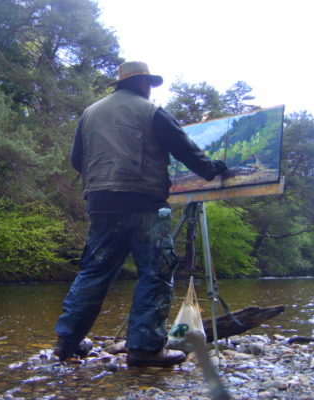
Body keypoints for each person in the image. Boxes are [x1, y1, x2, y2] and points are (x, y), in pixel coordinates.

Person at [54, 61, 227, 367]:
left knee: (94, 272)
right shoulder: (152, 112)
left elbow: (77, 159)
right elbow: (185, 149)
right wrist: (212, 169)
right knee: (155, 273)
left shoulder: (90, 113)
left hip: (101, 204)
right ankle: (145, 350)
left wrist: (103, 184)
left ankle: (67, 344)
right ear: (144, 83)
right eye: (149, 84)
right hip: (144, 203)